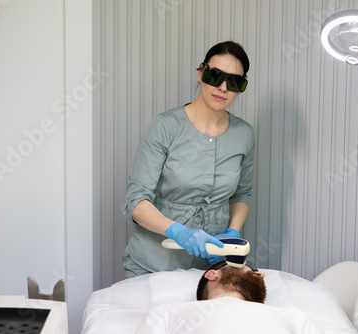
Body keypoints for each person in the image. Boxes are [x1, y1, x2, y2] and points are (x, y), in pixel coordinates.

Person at [123, 41, 255, 278]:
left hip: (212, 268)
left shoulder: (244, 134)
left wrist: (232, 232)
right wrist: (177, 231)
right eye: (215, 76)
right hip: (154, 264)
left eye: (234, 82)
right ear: (200, 74)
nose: (223, 87)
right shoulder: (165, 126)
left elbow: (242, 193)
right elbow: (136, 202)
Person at [135, 261, 324, 333]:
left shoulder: (292, 315)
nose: (260, 273)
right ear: (212, 274)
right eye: (244, 264)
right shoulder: (169, 312)